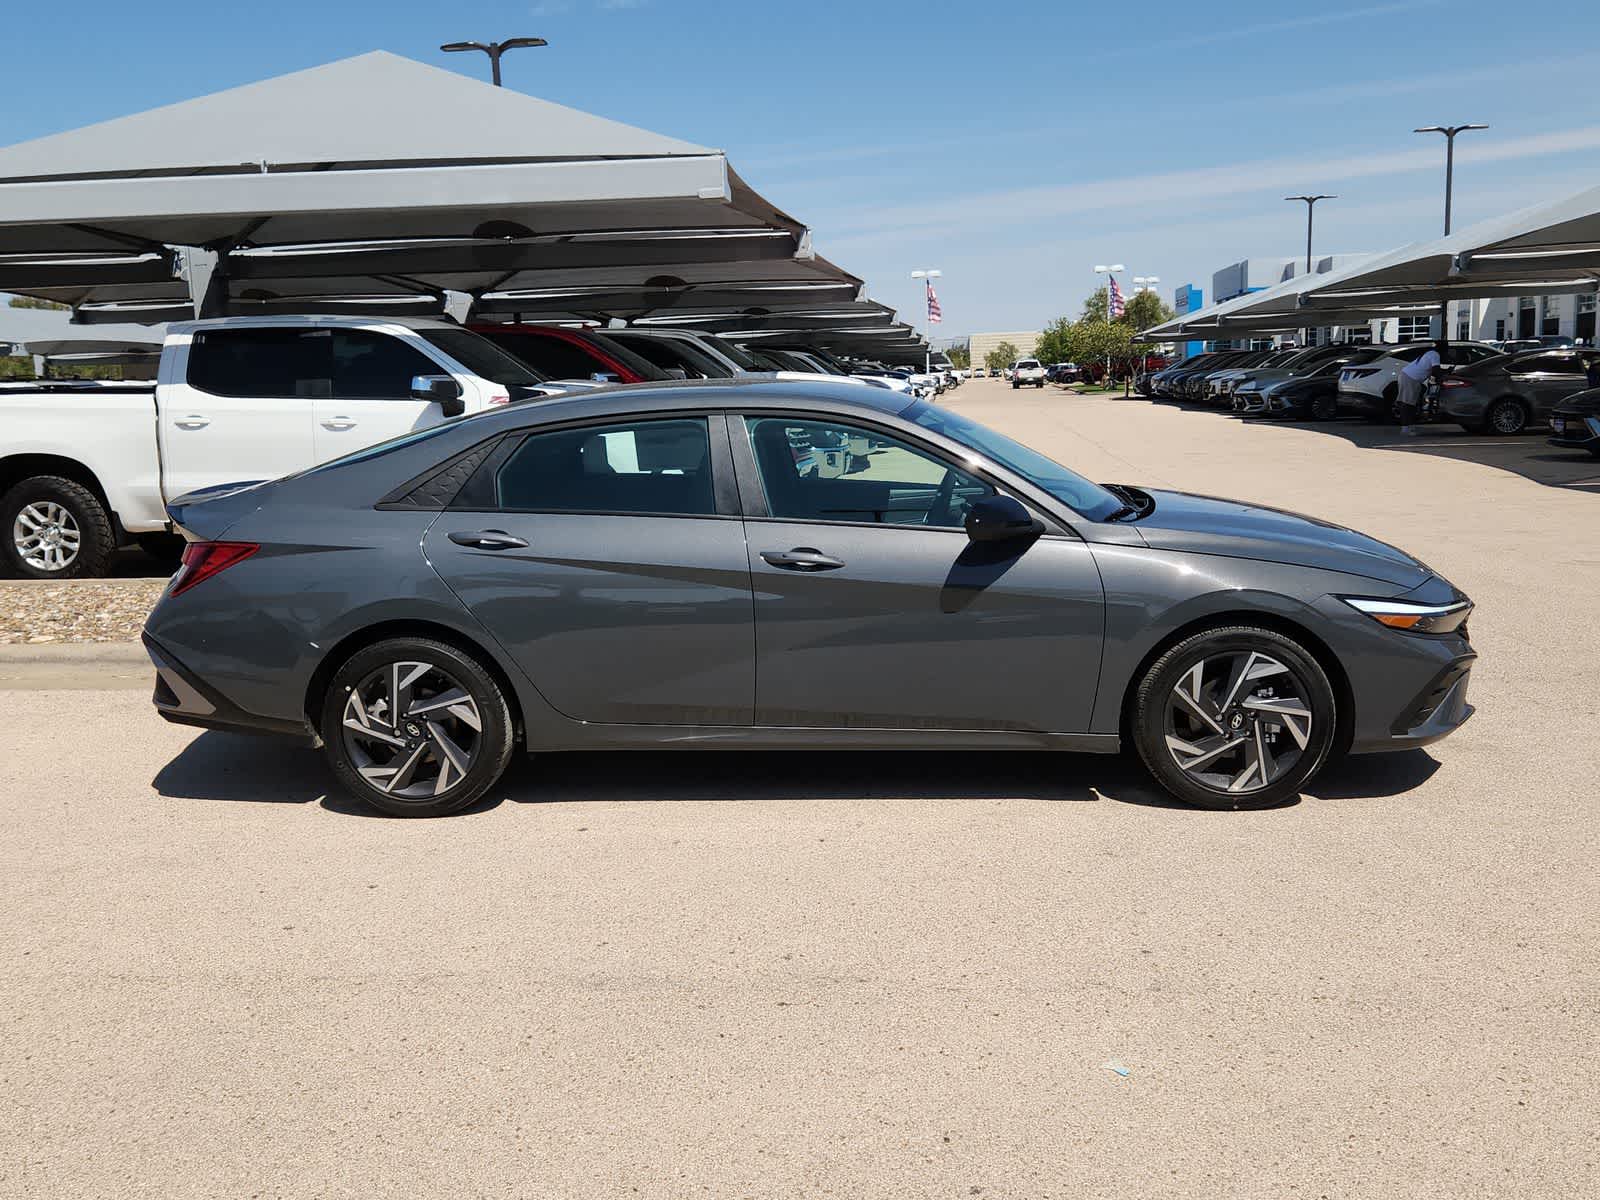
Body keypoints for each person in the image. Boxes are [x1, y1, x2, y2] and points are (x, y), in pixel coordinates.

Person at [1397, 343, 1441, 435]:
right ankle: (1405, 429)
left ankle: (1409, 426)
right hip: (1411, 378)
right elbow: (1436, 370)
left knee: (1410, 404)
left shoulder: (1429, 353)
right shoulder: (1435, 354)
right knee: (1407, 404)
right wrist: (1442, 376)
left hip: (1409, 376)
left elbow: (1433, 370)